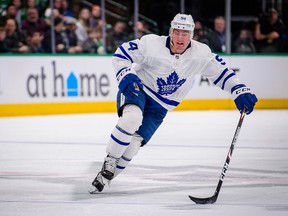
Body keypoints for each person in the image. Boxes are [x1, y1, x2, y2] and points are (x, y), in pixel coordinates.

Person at [89, 13, 258, 193]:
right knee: (132, 118)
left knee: (135, 144)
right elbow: (122, 52)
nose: (180, 38)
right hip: (139, 89)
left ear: (191, 35)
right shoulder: (152, 44)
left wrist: (239, 89)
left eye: (185, 34)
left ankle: (105, 177)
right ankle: (111, 158)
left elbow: (221, 73)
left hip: (162, 105)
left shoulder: (201, 53)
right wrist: (125, 73)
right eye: (177, 32)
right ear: (171, 32)